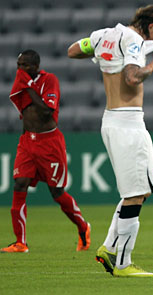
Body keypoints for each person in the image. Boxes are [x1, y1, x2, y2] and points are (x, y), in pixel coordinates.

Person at [67, 5, 153, 277]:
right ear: (149, 26)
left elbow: (74, 50)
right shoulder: (134, 40)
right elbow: (132, 77)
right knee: (136, 194)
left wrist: (102, 56)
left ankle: (109, 247)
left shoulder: (103, 35)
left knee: (140, 191)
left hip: (110, 120)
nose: (152, 39)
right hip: (129, 122)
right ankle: (123, 264)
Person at [1, 50, 90, 253]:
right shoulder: (22, 84)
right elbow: (25, 113)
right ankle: (20, 242)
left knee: (56, 192)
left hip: (49, 143)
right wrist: (24, 139)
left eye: (24, 65)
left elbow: (46, 111)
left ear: (34, 66)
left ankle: (83, 227)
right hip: (28, 142)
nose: (20, 70)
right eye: (18, 65)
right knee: (19, 184)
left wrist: (29, 87)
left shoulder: (49, 80)